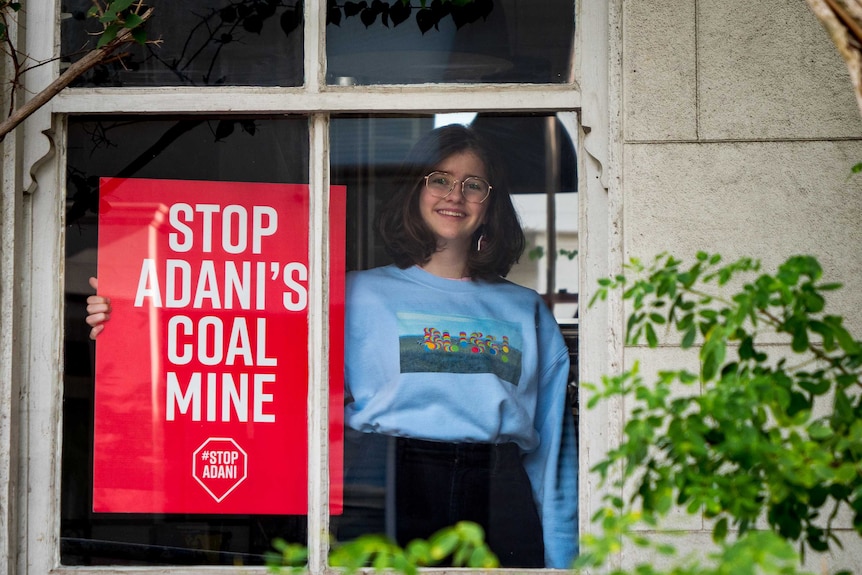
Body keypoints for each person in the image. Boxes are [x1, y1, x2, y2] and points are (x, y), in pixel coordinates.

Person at [86, 124, 578, 568]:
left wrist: (566, 560)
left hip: (498, 487)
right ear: (414, 188)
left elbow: (553, 450)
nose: (456, 194)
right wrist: (127, 316)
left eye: (474, 184)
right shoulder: (351, 293)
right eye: (440, 179)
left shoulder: (525, 309)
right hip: (383, 480)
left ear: (491, 203)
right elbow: (239, 343)